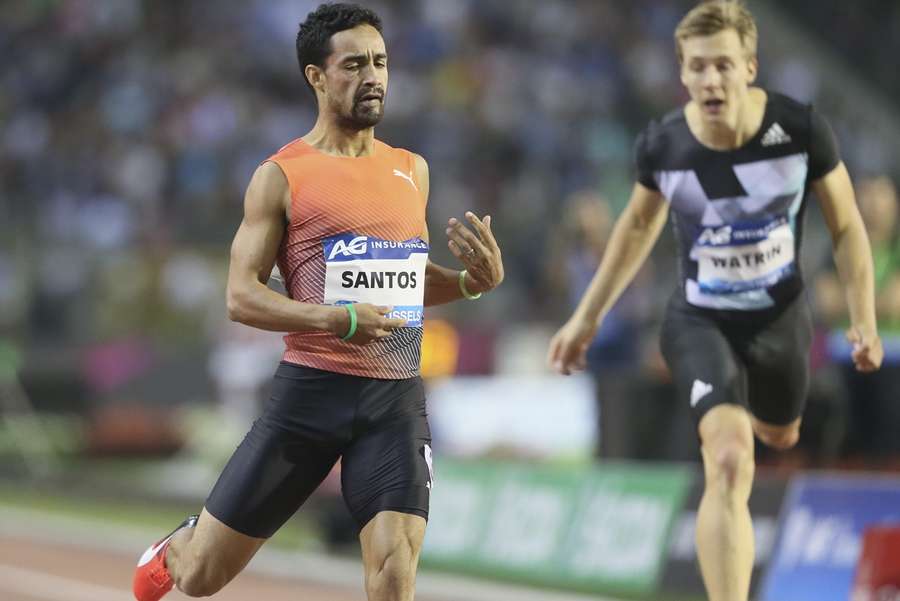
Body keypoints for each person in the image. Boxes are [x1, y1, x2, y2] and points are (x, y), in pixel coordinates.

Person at [132, 4, 504, 601]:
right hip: (308, 399)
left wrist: (467, 282)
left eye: (381, 62)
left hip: (394, 401)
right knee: (201, 579)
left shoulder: (412, 170)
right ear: (317, 77)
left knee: (393, 575)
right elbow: (240, 296)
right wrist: (331, 318)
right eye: (354, 64)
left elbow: (403, 280)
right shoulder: (281, 175)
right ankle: (180, 544)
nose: (374, 76)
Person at [547, 2, 882, 601]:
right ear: (682, 74)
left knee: (781, 435)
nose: (711, 81)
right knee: (728, 459)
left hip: (780, 317)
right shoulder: (664, 145)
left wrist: (863, 317)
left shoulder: (800, 130)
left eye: (724, 65)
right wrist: (585, 318)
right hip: (700, 318)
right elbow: (634, 228)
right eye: (697, 68)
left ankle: (759, 409)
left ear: (749, 67)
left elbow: (849, 226)